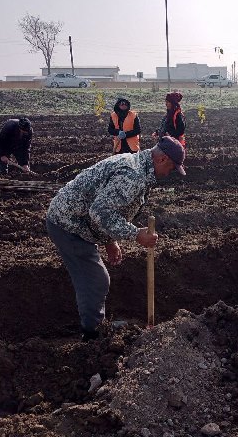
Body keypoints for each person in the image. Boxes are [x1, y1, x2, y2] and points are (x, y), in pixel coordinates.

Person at [46, 136, 186, 341]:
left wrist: (110, 240)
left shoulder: (140, 167)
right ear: (162, 159)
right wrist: (136, 234)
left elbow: (110, 208)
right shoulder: (134, 175)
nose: (170, 173)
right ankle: (92, 336)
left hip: (80, 221)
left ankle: (94, 327)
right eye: (172, 168)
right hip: (67, 224)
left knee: (94, 279)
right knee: (96, 280)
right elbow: (100, 212)